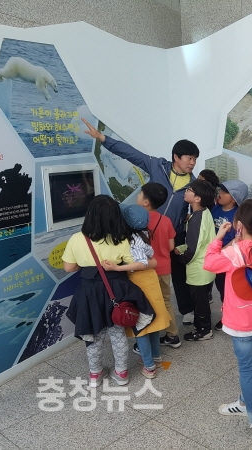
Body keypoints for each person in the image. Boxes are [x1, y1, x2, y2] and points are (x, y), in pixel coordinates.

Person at [82, 118, 198, 328]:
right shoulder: (157, 166)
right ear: (176, 157)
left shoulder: (194, 183)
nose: (192, 163)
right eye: (189, 158)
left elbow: (196, 208)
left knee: (178, 273)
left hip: (173, 233)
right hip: (144, 231)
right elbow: (131, 153)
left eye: (195, 159)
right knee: (144, 271)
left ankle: (187, 310)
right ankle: (144, 313)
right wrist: (103, 138)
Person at [204, 199, 252, 439]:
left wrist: (219, 237)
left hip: (241, 321)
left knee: (247, 368)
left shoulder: (233, 252)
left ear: (239, 224)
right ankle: (245, 401)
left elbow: (209, 263)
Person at [62, 195, 152, 388]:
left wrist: (87, 265)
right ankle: (121, 373)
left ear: (90, 215)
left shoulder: (77, 238)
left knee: (94, 334)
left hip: (89, 292)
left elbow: (68, 267)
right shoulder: (121, 239)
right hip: (116, 289)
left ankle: (95, 374)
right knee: (118, 333)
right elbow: (133, 264)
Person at [103, 204, 171, 379]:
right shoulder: (143, 234)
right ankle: (156, 357)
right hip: (151, 280)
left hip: (139, 283)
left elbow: (141, 263)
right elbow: (150, 260)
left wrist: (117, 268)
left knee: (141, 325)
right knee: (152, 321)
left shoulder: (130, 240)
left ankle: (149, 366)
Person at [136, 182, 181, 348]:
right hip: (164, 268)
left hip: (144, 270)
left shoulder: (137, 221)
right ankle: (172, 335)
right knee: (165, 301)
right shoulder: (166, 220)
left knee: (146, 303)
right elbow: (170, 246)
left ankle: (147, 339)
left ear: (146, 202)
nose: (137, 196)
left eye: (140, 194)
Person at [174, 180, 217, 341]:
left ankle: (204, 330)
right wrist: (182, 247)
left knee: (200, 302)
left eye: (190, 190)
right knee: (202, 299)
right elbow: (201, 241)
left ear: (197, 198)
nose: (186, 191)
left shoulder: (196, 219)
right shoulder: (204, 213)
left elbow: (193, 248)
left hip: (198, 268)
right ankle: (202, 327)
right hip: (206, 264)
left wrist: (182, 258)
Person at [211, 180, 249, 331]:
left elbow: (238, 238)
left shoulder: (238, 215)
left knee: (231, 289)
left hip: (230, 257)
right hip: (217, 254)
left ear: (234, 198)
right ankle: (226, 315)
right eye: (220, 190)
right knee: (221, 287)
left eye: (224, 192)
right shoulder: (215, 209)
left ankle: (232, 317)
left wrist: (223, 251)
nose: (219, 193)